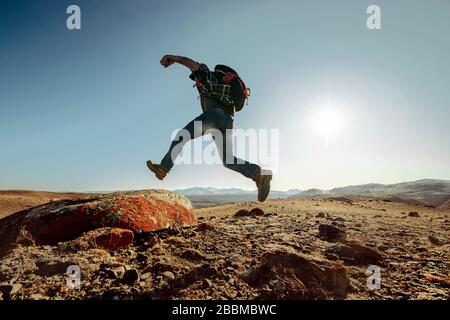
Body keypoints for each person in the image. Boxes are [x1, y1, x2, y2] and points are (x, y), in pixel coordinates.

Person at [147, 54, 272, 202]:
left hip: (215, 115)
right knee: (228, 159)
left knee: (182, 136)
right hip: (228, 121)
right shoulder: (227, 86)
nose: (196, 82)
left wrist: (173, 58)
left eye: (196, 79)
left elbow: (192, 64)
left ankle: (163, 168)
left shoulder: (209, 75)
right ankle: (258, 174)